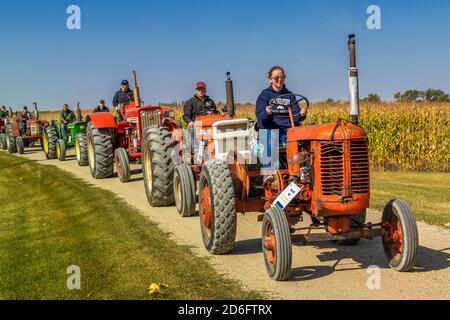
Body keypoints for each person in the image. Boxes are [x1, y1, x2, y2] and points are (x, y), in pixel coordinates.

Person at [255, 66, 308, 169]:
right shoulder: (264, 95)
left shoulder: (289, 95)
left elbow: (296, 116)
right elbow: (260, 116)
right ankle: (271, 176)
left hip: (286, 129)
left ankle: (298, 171)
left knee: (303, 141)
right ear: (270, 79)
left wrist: (301, 114)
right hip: (269, 128)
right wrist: (267, 113)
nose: (279, 80)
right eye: (276, 78)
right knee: (269, 141)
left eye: (282, 77)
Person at [183, 81, 217, 153]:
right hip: (196, 124)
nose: (201, 91)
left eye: (202, 89)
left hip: (209, 124)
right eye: (199, 90)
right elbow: (185, 115)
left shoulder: (210, 101)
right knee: (192, 129)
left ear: (205, 90)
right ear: (196, 91)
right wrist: (190, 121)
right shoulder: (190, 102)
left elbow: (216, 112)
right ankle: (194, 150)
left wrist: (213, 113)